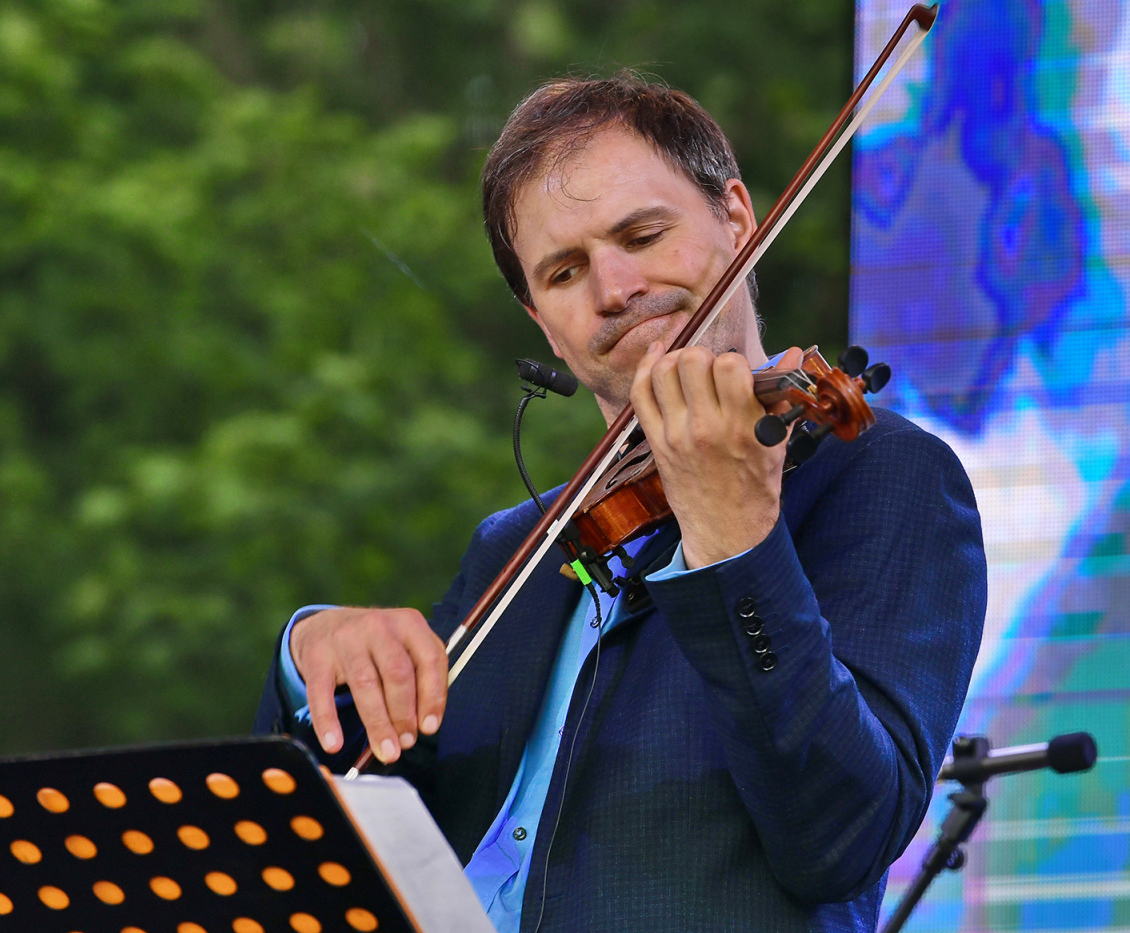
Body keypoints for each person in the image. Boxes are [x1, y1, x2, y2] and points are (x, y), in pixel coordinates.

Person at [254, 74, 986, 933]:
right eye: (565, 272)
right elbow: (343, 822)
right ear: (541, 319)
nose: (614, 286)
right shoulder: (518, 546)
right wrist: (315, 656)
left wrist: (736, 545)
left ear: (738, 218)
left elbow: (844, 833)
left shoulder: (883, 475)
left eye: (642, 234)